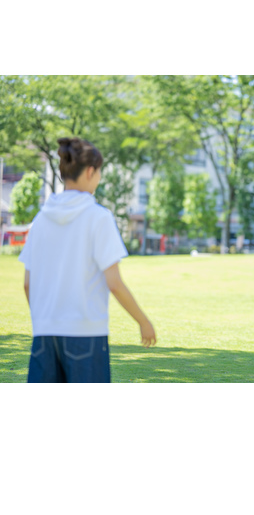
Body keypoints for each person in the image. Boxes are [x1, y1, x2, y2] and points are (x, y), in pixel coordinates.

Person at [19, 137, 156, 383]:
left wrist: (46, 321)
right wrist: (143, 321)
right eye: (100, 172)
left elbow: (28, 284)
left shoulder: (40, 221)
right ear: (91, 172)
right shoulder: (98, 217)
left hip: (44, 335)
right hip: (86, 335)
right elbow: (113, 282)